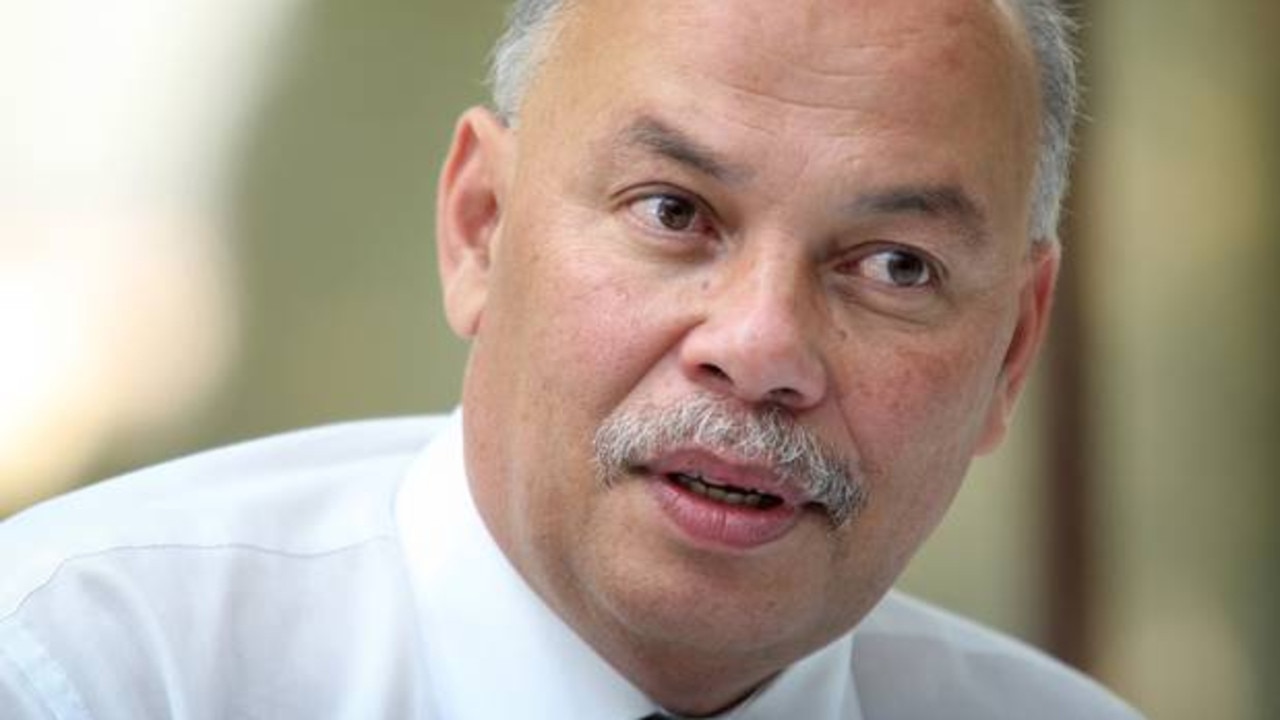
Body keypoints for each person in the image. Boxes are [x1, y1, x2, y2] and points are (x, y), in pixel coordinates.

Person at [0, 0, 1143, 717]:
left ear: (1009, 354)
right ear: (480, 227)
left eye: (893, 266)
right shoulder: (83, 675)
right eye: (671, 210)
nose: (759, 350)